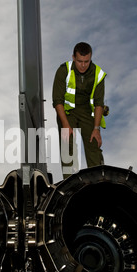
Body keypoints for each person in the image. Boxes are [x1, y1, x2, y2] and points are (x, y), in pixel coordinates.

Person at [52, 42, 109, 178]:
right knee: (68, 143)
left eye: (86, 61)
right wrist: (66, 125)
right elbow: (57, 101)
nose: (83, 65)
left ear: (90, 58)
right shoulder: (63, 70)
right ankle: (70, 183)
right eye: (79, 61)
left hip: (87, 112)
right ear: (73, 57)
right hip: (68, 112)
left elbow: (99, 103)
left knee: (93, 143)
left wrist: (96, 129)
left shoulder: (98, 74)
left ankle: (99, 183)